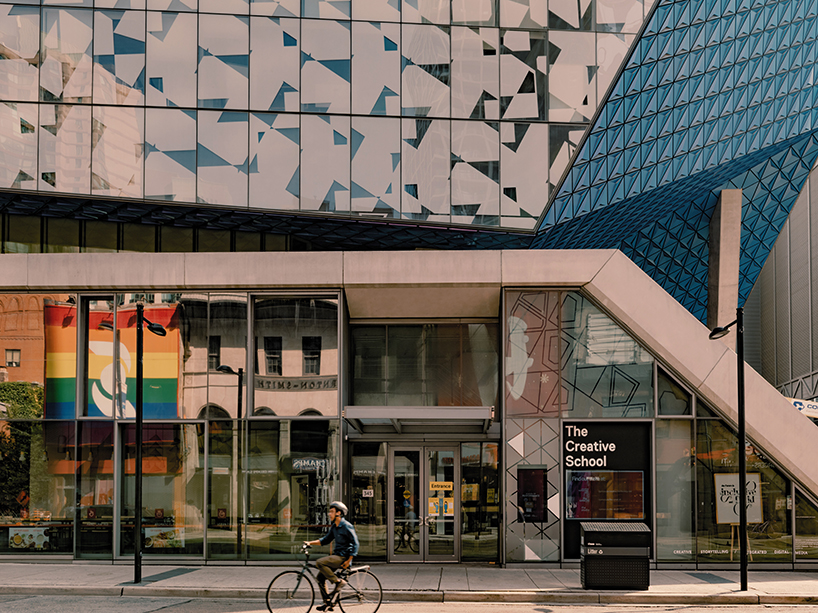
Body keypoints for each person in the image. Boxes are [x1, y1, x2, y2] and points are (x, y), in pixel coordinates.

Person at [304, 501, 359, 611]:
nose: (329, 514)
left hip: (343, 558)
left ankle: (338, 582)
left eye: (332, 512)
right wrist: (310, 543)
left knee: (320, 562)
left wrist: (349, 560)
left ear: (338, 513)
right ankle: (328, 602)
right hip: (336, 556)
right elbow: (325, 540)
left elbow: (356, 543)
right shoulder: (335, 526)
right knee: (320, 578)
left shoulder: (347, 526)